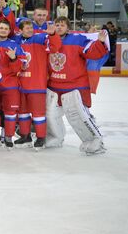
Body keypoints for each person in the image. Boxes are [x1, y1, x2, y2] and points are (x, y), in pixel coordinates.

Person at [46, 16, 109, 154]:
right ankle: (55, 137)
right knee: (50, 115)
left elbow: (92, 53)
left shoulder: (78, 39)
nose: (59, 27)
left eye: (63, 25)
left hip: (75, 86)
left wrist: (99, 42)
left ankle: (95, 142)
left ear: (68, 28)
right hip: (53, 86)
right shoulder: (47, 40)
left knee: (79, 117)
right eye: (57, 25)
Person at [13, 19, 61, 149]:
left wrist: (52, 35)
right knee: (22, 113)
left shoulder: (40, 39)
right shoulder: (16, 41)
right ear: (20, 30)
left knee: (38, 113)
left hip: (36, 84)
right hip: (20, 85)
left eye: (31, 27)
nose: (29, 30)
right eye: (26, 28)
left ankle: (40, 137)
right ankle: (25, 136)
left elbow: (55, 47)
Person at [0, 19, 27, 149]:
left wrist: (14, 58)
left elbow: (20, 68)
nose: (3, 30)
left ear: (9, 31)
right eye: (1, 28)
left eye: (5, 29)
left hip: (9, 83)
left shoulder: (14, 45)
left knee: (10, 112)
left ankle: (8, 136)